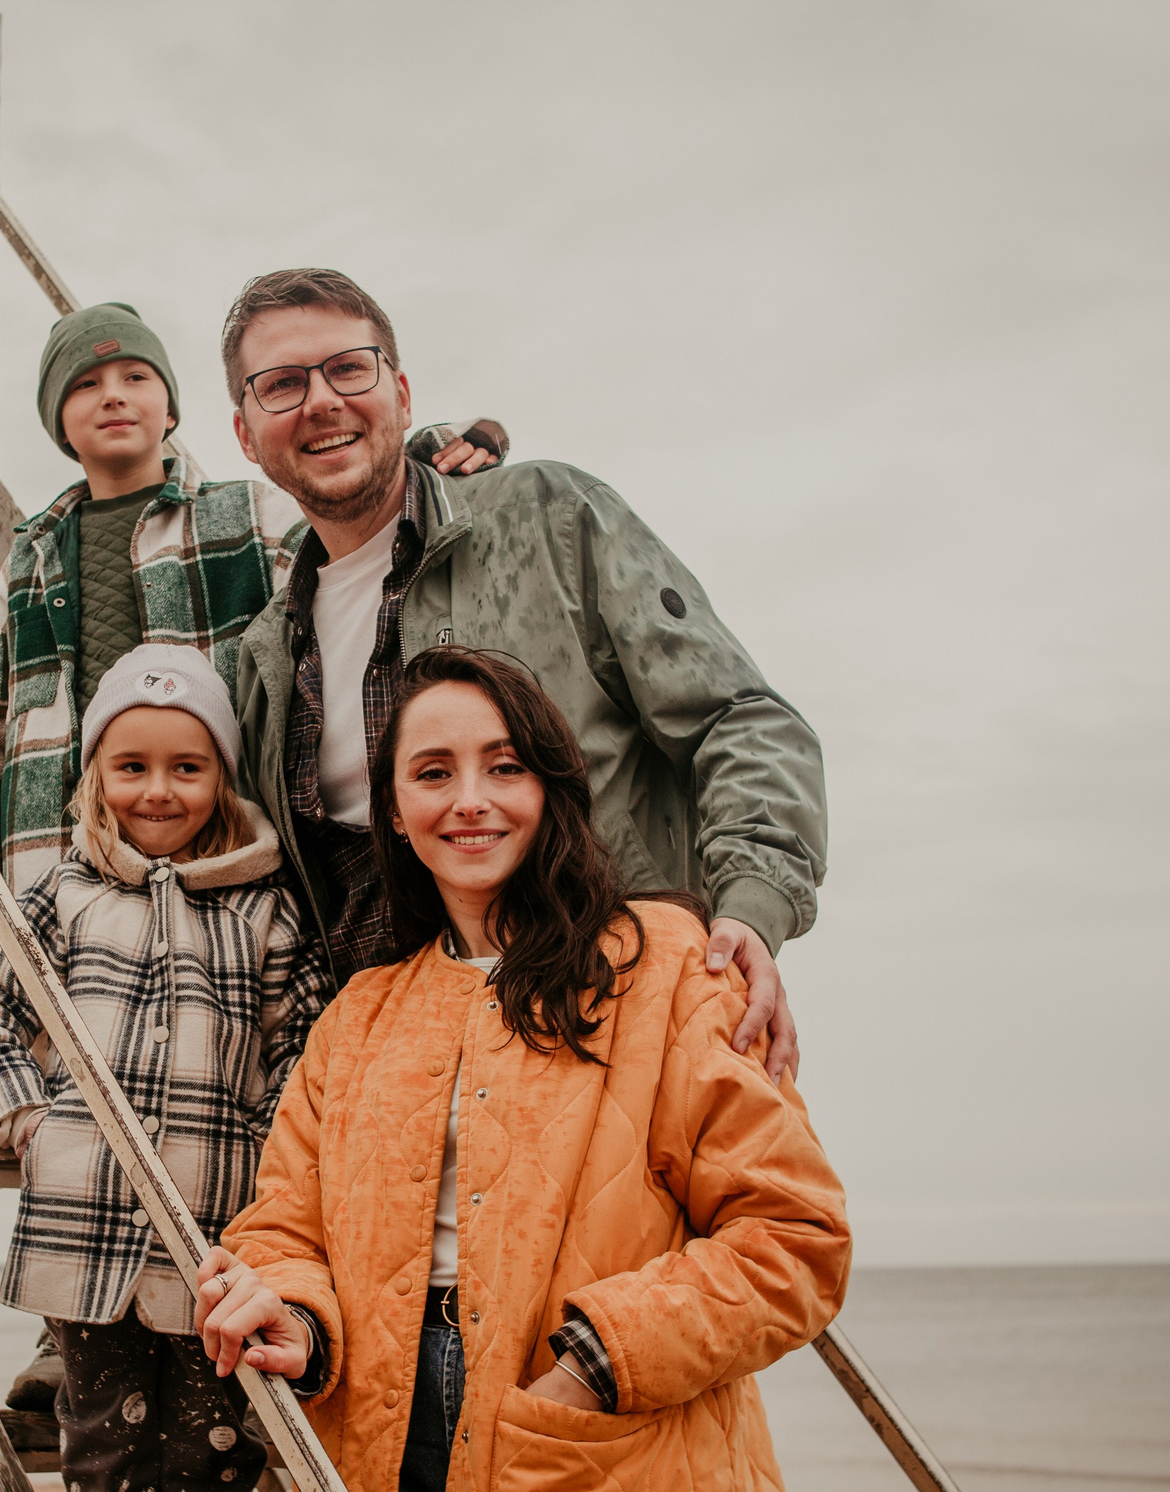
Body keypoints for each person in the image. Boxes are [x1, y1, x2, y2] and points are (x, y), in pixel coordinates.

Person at [194, 648, 850, 1492]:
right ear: (394, 813)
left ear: (550, 786)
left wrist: (592, 1361)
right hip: (377, 1464)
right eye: (432, 772)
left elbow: (794, 1239)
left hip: (604, 1439)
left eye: (503, 767)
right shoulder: (358, 1016)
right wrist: (295, 1318)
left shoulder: (663, 965)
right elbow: (285, 1231)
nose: (470, 801)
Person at [0, 300, 502, 1411]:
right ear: (59, 421)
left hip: (204, 843)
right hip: (60, 845)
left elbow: (339, 547)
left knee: (194, 1077)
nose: (113, 396)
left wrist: (439, 462)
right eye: (85, 384)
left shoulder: (234, 509)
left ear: (174, 405)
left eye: (136, 377)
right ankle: (80, 1327)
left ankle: (240, 1288)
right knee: (83, 1085)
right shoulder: (31, 551)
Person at [221, 269, 825, 1081]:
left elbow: (740, 719)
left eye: (348, 368)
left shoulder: (551, 518)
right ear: (245, 433)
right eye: (282, 384)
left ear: (400, 392)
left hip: (616, 1044)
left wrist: (752, 907)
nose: (322, 400)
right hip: (407, 1101)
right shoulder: (263, 658)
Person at [0, 645, 335, 1492]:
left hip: (217, 1233)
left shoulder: (264, 906)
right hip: (84, 1237)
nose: (157, 791)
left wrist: (269, 1161)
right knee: (106, 1454)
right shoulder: (61, 893)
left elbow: (304, 1046)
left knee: (213, 1450)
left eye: (185, 768)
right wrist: (21, 1118)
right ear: (93, 777)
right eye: (131, 768)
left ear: (222, 779)